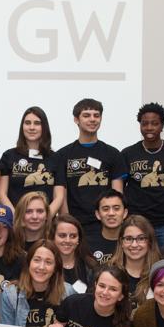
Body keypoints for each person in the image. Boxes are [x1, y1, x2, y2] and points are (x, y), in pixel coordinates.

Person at [120, 102, 164, 244]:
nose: (149, 128)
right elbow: (119, 190)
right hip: (137, 224)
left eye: (154, 123)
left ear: (162, 126)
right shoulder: (127, 154)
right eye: (144, 124)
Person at [50, 98, 124, 230]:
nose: (92, 119)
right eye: (86, 115)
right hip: (76, 225)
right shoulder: (62, 155)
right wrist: (68, 224)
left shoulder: (113, 154)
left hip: (106, 225)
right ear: (76, 119)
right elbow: (62, 195)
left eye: (96, 115)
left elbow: (118, 194)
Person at [0, 106, 63, 215]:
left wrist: (45, 218)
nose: (32, 127)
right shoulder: (8, 156)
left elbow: (59, 196)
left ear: (44, 127)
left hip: (46, 224)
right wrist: (16, 217)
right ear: (22, 127)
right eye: (27, 123)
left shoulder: (55, 158)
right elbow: (1, 193)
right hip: (15, 222)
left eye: (37, 123)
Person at [51, 213, 95, 294]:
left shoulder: (90, 266)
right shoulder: (45, 266)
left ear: (79, 239)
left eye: (73, 236)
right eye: (62, 235)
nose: (68, 240)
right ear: (53, 238)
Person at [84, 189, 128, 264]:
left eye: (116, 208)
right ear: (98, 214)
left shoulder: (133, 243)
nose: (111, 213)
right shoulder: (87, 244)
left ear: (125, 213)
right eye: (105, 209)